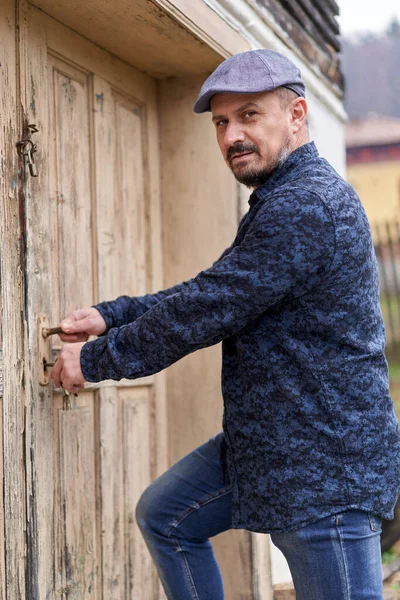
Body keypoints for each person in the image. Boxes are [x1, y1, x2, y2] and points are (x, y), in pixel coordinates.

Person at [51, 49, 400, 599]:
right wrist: (111, 315)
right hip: (268, 447)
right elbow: (215, 290)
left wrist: (93, 359)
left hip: (325, 470)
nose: (232, 134)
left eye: (249, 115)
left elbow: (207, 308)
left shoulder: (306, 206)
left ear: (297, 114)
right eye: (221, 122)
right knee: (166, 517)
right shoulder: (280, 199)